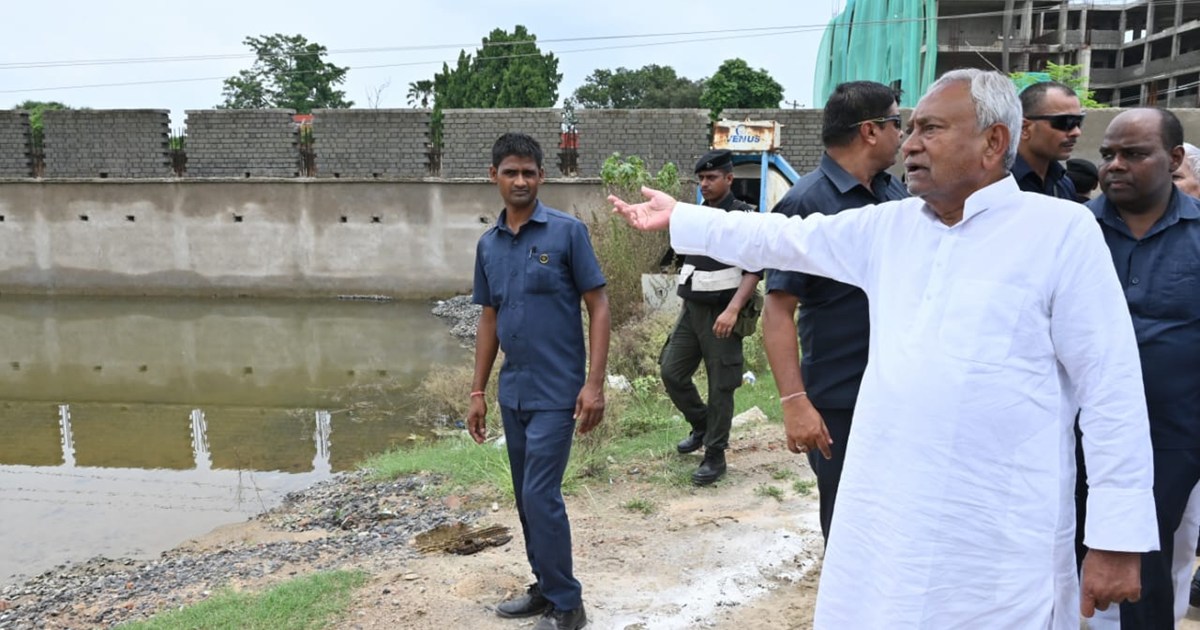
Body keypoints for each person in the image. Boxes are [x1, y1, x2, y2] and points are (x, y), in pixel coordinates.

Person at [611, 68, 1157, 629]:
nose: (911, 144)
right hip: (890, 516)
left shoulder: (1060, 232)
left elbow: (1110, 389)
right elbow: (785, 238)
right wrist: (683, 217)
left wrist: (1116, 538)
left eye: (931, 129)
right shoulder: (892, 227)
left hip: (997, 530)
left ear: (994, 142)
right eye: (911, 128)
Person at [468, 132, 610, 630]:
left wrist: (594, 384)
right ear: (494, 176)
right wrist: (478, 391)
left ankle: (568, 605)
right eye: (511, 172)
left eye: (529, 172)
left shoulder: (566, 233)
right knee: (525, 497)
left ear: (542, 176)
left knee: (539, 495)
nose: (521, 181)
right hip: (514, 392)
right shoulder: (488, 245)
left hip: (558, 392)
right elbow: (489, 318)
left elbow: (598, 305)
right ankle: (546, 587)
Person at [761, 80, 907, 543]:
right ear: (870, 131)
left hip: (900, 392)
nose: (903, 135)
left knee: (901, 522)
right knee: (850, 528)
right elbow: (778, 310)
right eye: (897, 123)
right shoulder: (806, 203)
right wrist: (794, 402)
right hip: (841, 400)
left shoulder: (895, 195)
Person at [1080, 108, 1200, 630]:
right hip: (1075, 434)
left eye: (1134, 154)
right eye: (1108, 154)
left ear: (1173, 159)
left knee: (1145, 562)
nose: (1115, 165)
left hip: (1170, 437)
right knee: (1060, 554)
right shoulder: (1072, 233)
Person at [661, 148, 761, 486]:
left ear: (729, 179)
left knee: (721, 384)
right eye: (701, 178)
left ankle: (715, 455)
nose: (704, 183)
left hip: (723, 311)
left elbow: (754, 269)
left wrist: (733, 310)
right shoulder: (696, 217)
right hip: (692, 309)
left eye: (711, 177)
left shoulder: (744, 216)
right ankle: (703, 425)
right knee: (671, 372)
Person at [1014, 81, 1085, 199]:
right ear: (1024, 128)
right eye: (1065, 122)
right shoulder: (995, 182)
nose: (1076, 132)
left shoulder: (1063, 185)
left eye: (1079, 122)